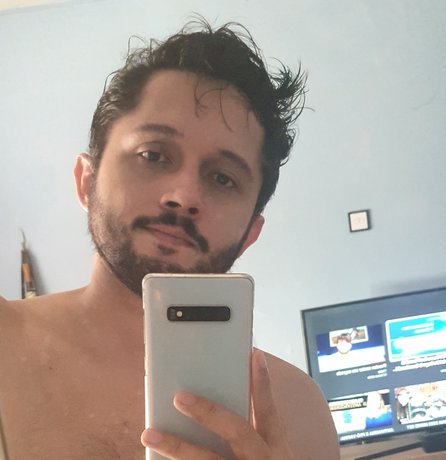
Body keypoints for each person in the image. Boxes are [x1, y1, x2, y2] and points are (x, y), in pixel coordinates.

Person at [0, 20, 339, 459]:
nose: (183, 196)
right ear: (86, 181)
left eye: (223, 178)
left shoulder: (299, 412)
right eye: (154, 155)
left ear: (249, 234)